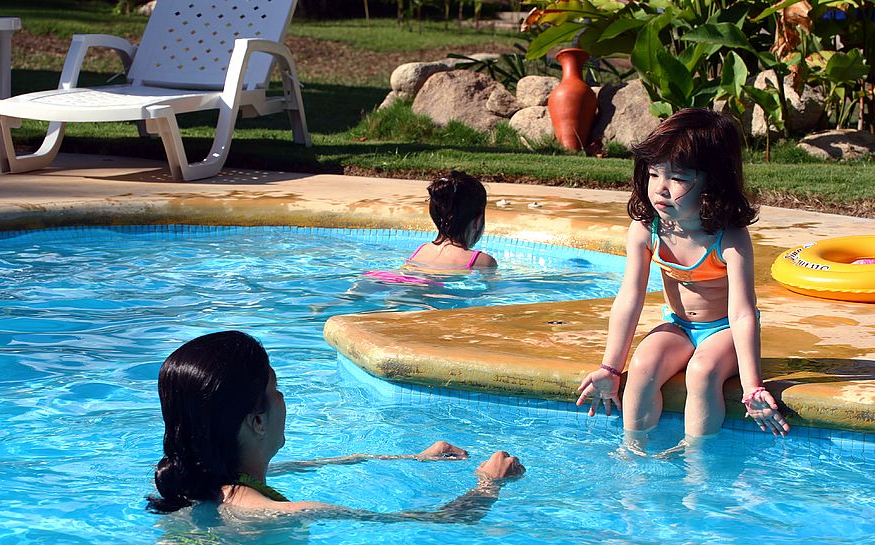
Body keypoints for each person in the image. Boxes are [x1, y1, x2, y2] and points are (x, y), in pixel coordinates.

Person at [575, 108, 789, 450]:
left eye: (678, 177)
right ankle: (635, 455)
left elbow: (743, 313)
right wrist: (611, 369)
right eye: (654, 173)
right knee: (643, 365)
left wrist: (753, 387)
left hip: (724, 331)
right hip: (679, 327)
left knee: (702, 372)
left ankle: (697, 464)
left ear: (712, 182)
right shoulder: (647, 230)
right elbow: (630, 299)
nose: (660, 189)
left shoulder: (728, 237)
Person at [148, 330, 524, 518]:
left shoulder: (195, 487)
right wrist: (489, 484)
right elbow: (436, 522)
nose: (283, 399)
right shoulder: (282, 513)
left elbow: (322, 463)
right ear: (258, 421)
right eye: (276, 389)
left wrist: (414, 458)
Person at [363, 171, 497, 286]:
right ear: (478, 220)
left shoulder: (423, 249)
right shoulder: (482, 261)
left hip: (388, 278)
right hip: (428, 288)